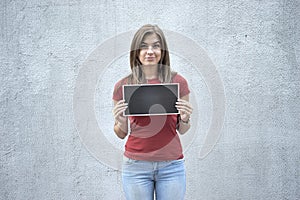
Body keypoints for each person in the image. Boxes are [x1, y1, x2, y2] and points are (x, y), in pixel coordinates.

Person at [112, 24, 193, 200]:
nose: (150, 51)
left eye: (155, 46)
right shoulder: (122, 86)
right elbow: (120, 133)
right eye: (144, 46)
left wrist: (185, 119)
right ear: (136, 51)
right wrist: (121, 122)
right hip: (136, 167)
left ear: (162, 50)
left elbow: (183, 129)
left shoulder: (178, 82)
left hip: (171, 166)